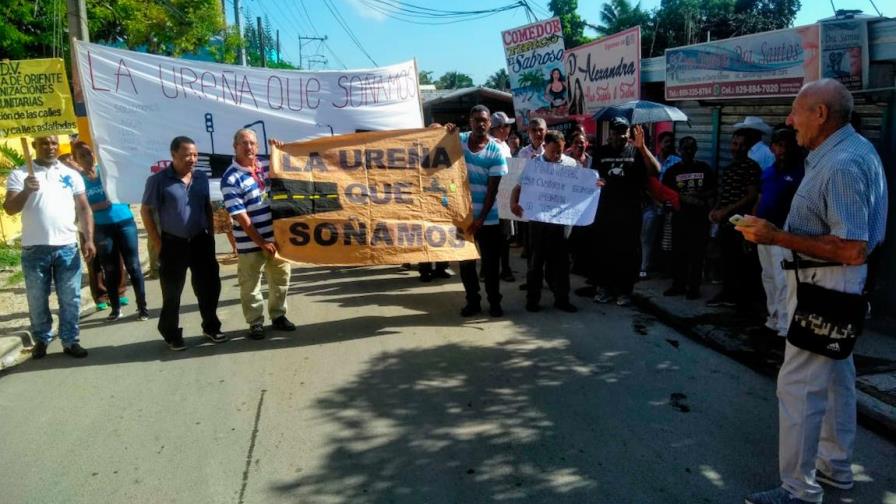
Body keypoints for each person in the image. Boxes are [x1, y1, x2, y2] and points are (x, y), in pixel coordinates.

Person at [741, 79, 887, 504]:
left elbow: (853, 247)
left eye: (795, 111)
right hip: (833, 285)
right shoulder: (849, 150)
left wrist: (776, 237)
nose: (788, 121)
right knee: (838, 378)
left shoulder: (841, 163)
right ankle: (835, 468)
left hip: (827, 285)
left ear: (820, 114)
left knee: (799, 385)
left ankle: (798, 490)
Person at [3, 136, 95, 358]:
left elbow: (83, 208)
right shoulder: (20, 174)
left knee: (70, 297)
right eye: (44, 143)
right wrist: (26, 191)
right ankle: (42, 340)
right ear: (35, 146)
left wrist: (89, 238)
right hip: (34, 249)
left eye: (54, 143)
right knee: (37, 299)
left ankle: (70, 340)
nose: (50, 147)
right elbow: (9, 209)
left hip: (66, 247)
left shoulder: (71, 174)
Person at [141, 136, 224, 351]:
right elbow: (146, 212)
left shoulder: (200, 178)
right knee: (172, 293)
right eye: (187, 154)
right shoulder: (158, 181)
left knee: (209, 287)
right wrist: (158, 243)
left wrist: (211, 235)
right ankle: (171, 334)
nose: (192, 159)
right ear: (173, 155)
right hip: (173, 244)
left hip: (200, 240)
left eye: (195, 155)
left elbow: (206, 206)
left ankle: (211, 326)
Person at [221, 129, 295, 340]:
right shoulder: (230, 178)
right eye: (244, 143)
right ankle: (255, 322)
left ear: (258, 146)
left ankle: (278, 316)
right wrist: (261, 242)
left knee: (280, 280)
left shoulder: (265, 164)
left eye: (252, 143)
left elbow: (292, 170)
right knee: (250, 284)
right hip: (250, 242)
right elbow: (242, 218)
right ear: (235, 146)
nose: (249, 147)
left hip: (278, 238)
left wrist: (280, 150)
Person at [583, 117, 659, 306]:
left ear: (629, 135)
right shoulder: (601, 152)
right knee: (603, 251)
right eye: (616, 132)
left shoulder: (637, 151)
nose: (620, 136)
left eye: (624, 133)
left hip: (630, 213)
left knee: (628, 253)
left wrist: (642, 148)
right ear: (610, 134)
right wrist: (596, 182)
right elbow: (592, 178)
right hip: (605, 213)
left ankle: (625, 291)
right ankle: (604, 288)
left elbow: (655, 171)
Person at [73, 141, 148, 322]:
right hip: (101, 227)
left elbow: (125, 172)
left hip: (124, 222)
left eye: (88, 153)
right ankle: (115, 308)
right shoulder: (78, 180)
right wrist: (95, 206)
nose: (86, 158)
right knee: (110, 268)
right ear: (76, 160)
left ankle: (142, 307)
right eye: (81, 156)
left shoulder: (106, 170)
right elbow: (77, 207)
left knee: (133, 266)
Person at [510, 130, 579, 313]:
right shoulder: (533, 165)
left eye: (560, 151)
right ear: (545, 147)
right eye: (553, 151)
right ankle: (532, 300)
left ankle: (562, 299)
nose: (557, 155)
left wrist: (594, 185)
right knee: (536, 262)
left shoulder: (571, 164)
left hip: (561, 222)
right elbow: (518, 187)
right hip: (538, 222)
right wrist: (513, 203)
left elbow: (581, 186)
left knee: (562, 263)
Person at [753, 127, 805, 337]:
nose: (782, 150)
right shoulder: (768, 172)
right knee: (768, 277)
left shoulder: (800, 173)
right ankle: (773, 319)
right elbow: (759, 200)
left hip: (783, 234)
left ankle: (785, 326)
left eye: (786, 146)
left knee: (784, 280)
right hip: (763, 232)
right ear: (772, 147)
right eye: (778, 145)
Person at [457, 105, 508, 317]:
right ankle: (473, 301)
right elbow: (433, 142)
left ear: (490, 123)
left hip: (488, 219)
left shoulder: (496, 151)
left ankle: (494, 302)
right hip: (462, 217)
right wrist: (444, 129)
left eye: (484, 120)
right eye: (476, 119)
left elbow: (492, 191)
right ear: (470, 121)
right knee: (466, 264)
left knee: (490, 265)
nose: (480, 123)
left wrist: (480, 219)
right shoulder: (456, 141)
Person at [707, 131, 762, 309]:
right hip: (725, 222)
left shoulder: (751, 167)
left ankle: (738, 298)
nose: (736, 148)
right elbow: (723, 194)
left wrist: (726, 211)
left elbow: (751, 196)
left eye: (741, 144)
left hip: (741, 222)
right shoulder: (729, 167)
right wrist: (715, 210)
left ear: (748, 147)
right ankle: (727, 293)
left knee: (739, 262)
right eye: (734, 144)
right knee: (726, 260)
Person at [661, 137, 716, 299]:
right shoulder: (672, 171)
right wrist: (681, 199)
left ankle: (694, 288)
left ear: (696, 149)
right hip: (679, 219)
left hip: (700, 220)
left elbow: (713, 190)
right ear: (679, 150)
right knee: (679, 254)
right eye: (685, 148)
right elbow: (665, 194)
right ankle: (678, 285)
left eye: (692, 148)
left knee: (697, 256)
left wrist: (699, 196)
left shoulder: (704, 168)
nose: (688, 151)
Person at [641, 131, 681, 278]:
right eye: (666, 141)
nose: (669, 144)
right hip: (653, 203)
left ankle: (662, 267)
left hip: (670, 204)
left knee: (666, 239)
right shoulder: (652, 160)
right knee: (648, 236)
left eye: (671, 141)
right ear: (659, 144)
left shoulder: (676, 161)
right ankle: (645, 265)